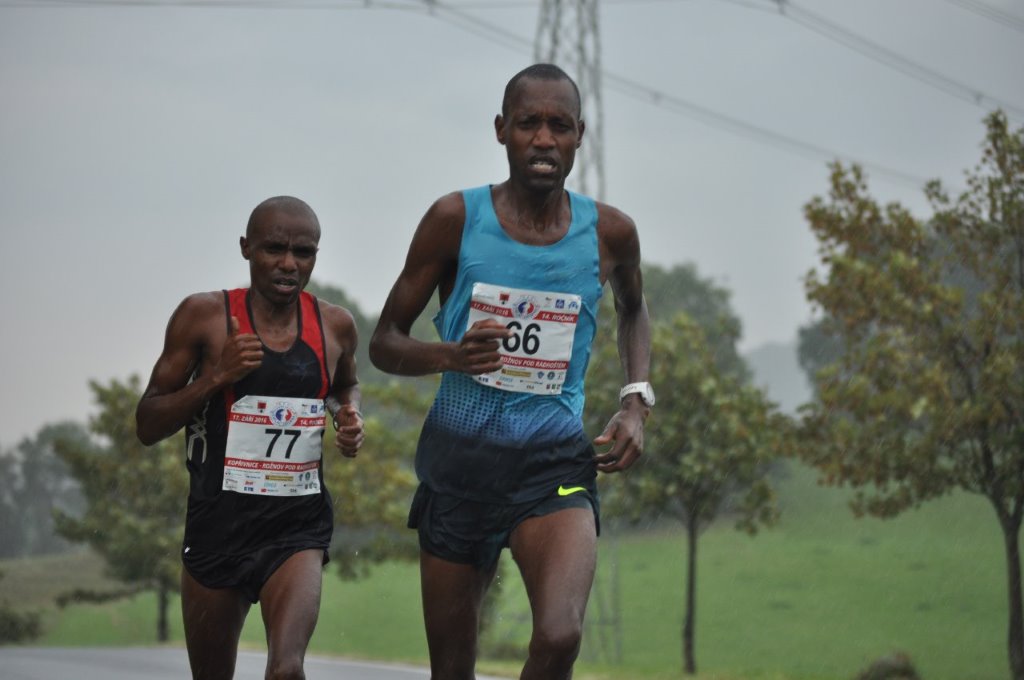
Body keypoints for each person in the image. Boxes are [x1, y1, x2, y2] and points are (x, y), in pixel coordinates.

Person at [369, 63, 653, 680]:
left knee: (560, 635)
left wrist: (635, 400)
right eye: (528, 124)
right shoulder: (454, 219)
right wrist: (450, 355)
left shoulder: (610, 232)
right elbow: (384, 343)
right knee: (452, 670)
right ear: (502, 130)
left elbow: (633, 309)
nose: (544, 140)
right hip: (460, 465)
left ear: (580, 135)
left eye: (559, 126)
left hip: (553, 464)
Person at [135, 196, 364, 680]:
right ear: (246, 248)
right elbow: (148, 423)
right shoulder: (203, 317)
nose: (289, 264)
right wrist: (217, 377)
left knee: (286, 670)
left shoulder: (335, 325)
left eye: (303, 252)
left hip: (296, 529)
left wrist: (348, 414)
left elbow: (345, 385)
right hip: (217, 527)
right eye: (274, 249)